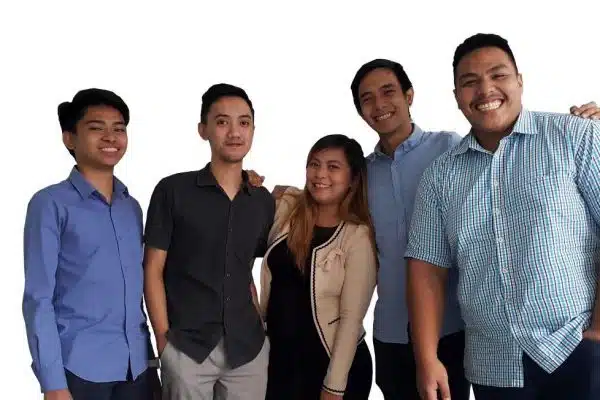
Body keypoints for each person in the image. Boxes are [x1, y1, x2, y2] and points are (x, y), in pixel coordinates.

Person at [405, 33, 600, 400]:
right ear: (456, 96)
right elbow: (427, 269)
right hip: (494, 366)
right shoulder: (440, 176)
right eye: (469, 82)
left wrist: (598, 335)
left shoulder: (575, 137)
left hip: (578, 349)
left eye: (498, 75)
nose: (485, 90)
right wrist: (426, 358)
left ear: (519, 80)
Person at [22, 88, 159, 400]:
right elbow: (37, 298)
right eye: (97, 128)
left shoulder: (132, 207)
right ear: (70, 138)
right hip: (79, 370)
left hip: (136, 368)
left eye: (119, 129)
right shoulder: (50, 204)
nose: (111, 137)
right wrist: (52, 382)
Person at [143, 83, 275, 399]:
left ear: (253, 130)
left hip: (247, 348)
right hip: (187, 347)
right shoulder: (172, 191)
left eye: (244, 122)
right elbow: (152, 270)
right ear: (203, 130)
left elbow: (244, 272)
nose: (234, 132)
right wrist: (164, 343)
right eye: (222, 121)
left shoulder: (261, 200)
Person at [259, 134, 377, 400]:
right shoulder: (287, 209)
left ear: (353, 178)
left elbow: (351, 319)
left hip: (333, 368)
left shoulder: (357, 236)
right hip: (279, 364)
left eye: (333, 167)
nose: (320, 174)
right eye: (314, 164)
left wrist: (334, 387)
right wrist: (247, 180)